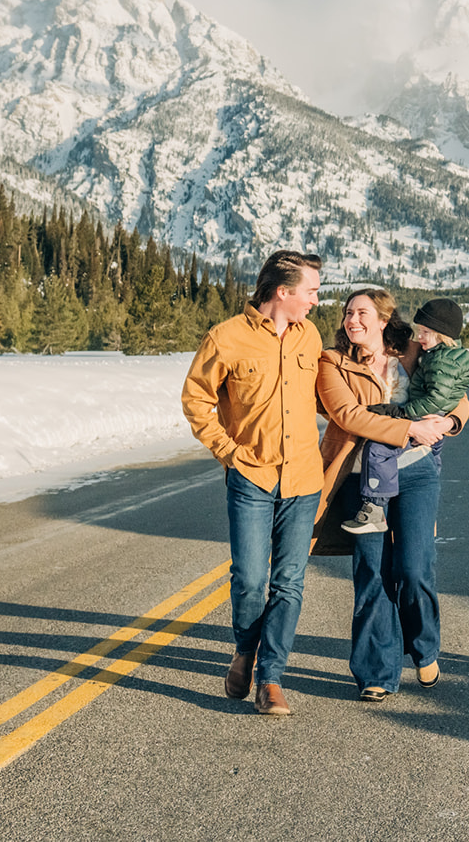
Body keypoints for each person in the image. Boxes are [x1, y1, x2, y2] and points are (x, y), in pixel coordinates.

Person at [181, 250, 325, 716]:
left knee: (289, 582)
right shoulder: (225, 338)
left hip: (304, 479)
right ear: (282, 292)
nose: (315, 301)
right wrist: (229, 453)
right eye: (311, 291)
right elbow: (196, 400)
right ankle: (244, 649)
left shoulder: (310, 337)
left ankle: (271, 678)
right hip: (252, 479)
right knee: (248, 580)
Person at [316, 288, 469, 702]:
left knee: (415, 569)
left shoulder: (412, 352)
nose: (353, 320)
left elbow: (456, 395)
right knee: (373, 572)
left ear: (384, 319)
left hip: (417, 473)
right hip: (361, 478)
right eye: (348, 313)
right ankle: (376, 672)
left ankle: (423, 647)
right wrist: (410, 429)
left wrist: (451, 422)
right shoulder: (334, 363)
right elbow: (349, 416)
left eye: (362, 313)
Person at [342, 298, 469, 534]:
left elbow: (451, 398)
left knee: (379, 449)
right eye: (349, 313)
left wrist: (439, 421)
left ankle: (374, 506)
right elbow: (347, 416)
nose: (420, 337)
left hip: (422, 422)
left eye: (425, 332)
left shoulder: (424, 355)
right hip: (418, 426)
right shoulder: (437, 354)